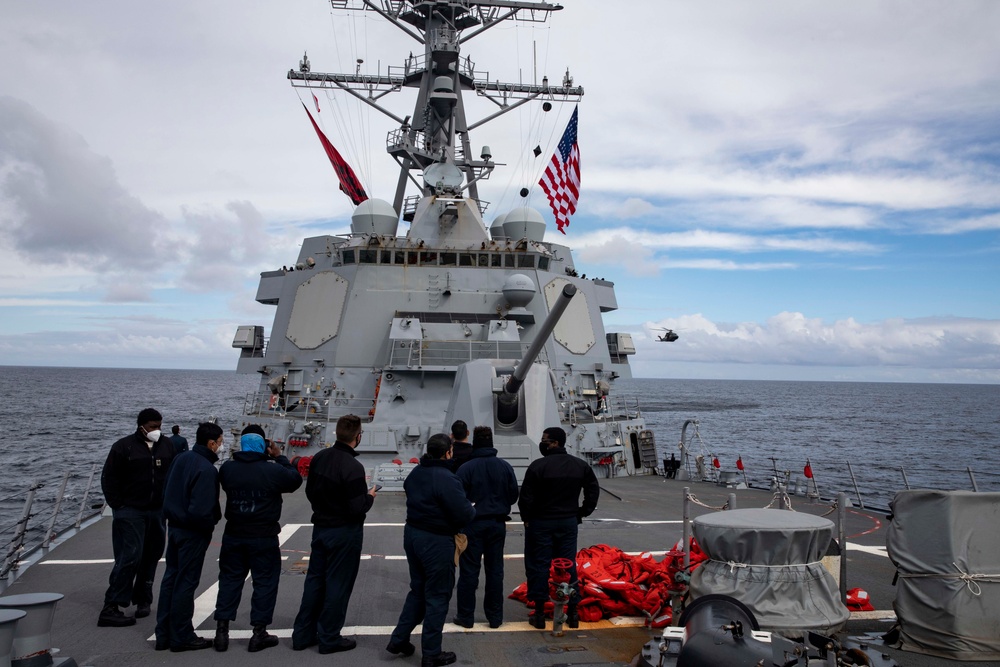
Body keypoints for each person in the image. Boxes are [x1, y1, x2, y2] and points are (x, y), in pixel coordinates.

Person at [387, 433, 475, 667]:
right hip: (436, 542)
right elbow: (464, 513)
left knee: (418, 591)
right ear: (448, 452)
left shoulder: (417, 472)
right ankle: (431, 653)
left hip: (413, 535)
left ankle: (398, 640)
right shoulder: (447, 477)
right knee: (437, 596)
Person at [212, 425, 302, 653]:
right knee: (264, 583)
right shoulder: (272, 471)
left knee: (230, 581)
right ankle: (258, 634)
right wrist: (279, 456)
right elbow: (295, 480)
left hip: (234, 534)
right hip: (263, 536)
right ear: (263, 445)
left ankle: (221, 633)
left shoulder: (227, 470)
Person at [292, 415, 375, 654]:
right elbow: (357, 508)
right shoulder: (353, 467)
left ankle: (302, 635)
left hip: (321, 529)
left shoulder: (319, 458)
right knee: (338, 585)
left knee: (315, 582)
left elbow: (310, 492)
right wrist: (370, 496)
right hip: (344, 534)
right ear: (358, 437)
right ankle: (329, 638)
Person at [98, 407, 176, 627]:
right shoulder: (124, 447)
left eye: (159, 426)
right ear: (141, 426)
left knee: (151, 555)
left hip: (157, 511)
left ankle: (143, 599)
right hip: (130, 510)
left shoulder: (167, 446)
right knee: (130, 556)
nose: (157, 431)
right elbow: (109, 478)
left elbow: (174, 473)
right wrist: (119, 505)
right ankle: (112, 605)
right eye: (152, 427)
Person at [517, 427, 600, 629]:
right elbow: (593, 490)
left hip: (541, 523)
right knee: (567, 565)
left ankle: (538, 613)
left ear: (555, 443)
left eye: (545, 440)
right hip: (568, 522)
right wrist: (582, 512)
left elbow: (526, 497)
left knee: (539, 565)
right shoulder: (580, 466)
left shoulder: (538, 466)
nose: (542, 443)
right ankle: (572, 612)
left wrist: (527, 518)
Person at [154, 422, 224, 651]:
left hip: (174, 528)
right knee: (186, 582)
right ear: (211, 443)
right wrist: (210, 523)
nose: (221, 446)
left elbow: (166, 491)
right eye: (220, 442)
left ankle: (163, 633)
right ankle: (182, 635)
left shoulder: (180, 459)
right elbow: (202, 511)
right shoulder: (206, 469)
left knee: (170, 579)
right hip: (192, 533)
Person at [453, 426, 519, 629]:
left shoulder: (466, 468)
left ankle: (466, 616)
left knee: (469, 572)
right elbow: (513, 495)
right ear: (491, 442)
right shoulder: (505, 466)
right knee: (495, 571)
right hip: (497, 524)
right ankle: (495, 617)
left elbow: (458, 498)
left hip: (472, 525)